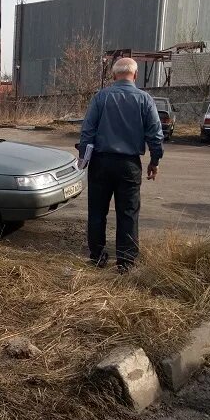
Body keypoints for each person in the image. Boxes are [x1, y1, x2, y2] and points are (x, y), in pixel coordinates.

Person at [78, 57, 163, 271]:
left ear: (114, 75)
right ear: (135, 75)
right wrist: (154, 160)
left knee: (97, 211)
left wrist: (83, 159)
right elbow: (155, 134)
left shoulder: (101, 97)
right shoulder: (144, 99)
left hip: (100, 162)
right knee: (128, 212)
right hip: (129, 165)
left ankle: (97, 256)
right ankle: (125, 261)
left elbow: (88, 131)